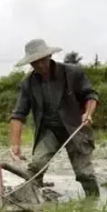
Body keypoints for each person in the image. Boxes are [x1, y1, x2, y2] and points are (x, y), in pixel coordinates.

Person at [9, 38, 100, 198]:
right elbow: (18, 114)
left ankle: (93, 203)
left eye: (42, 61)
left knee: (84, 173)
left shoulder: (72, 73)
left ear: (49, 57)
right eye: (34, 63)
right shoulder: (28, 83)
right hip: (49, 130)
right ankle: (32, 199)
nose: (39, 66)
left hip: (74, 127)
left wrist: (88, 113)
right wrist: (15, 145)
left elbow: (91, 95)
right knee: (36, 166)